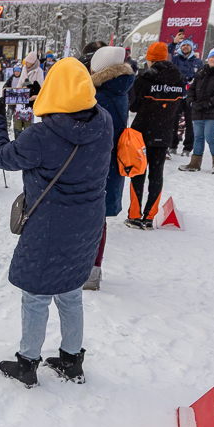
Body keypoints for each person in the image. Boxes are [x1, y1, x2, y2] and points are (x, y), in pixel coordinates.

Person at [0, 57, 113, 387]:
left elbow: (1, 156)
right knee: (71, 294)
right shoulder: (104, 122)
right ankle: (72, 361)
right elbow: (72, 124)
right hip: (87, 226)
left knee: (36, 297)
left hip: (48, 229)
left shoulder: (40, 138)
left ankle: (28, 363)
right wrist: (44, 99)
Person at [85, 46, 134, 287]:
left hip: (94, 165)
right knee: (98, 219)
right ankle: (93, 269)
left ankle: (86, 270)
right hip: (111, 165)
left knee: (86, 218)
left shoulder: (98, 94)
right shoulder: (119, 88)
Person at [124, 41, 184, 237]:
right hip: (165, 132)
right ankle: (150, 217)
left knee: (137, 173)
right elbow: (181, 105)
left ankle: (134, 215)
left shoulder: (144, 78)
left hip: (142, 131)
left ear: (150, 59)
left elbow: (133, 106)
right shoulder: (178, 79)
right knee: (157, 175)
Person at [179, 46, 214, 174]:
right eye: (212, 57)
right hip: (198, 109)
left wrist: (210, 103)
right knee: (198, 136)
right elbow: (192, 88)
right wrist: (192, 101)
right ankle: (195, 163)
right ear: (208, 58)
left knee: (210, 136)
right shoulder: (202, 71)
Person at [168, 35, 204, 156]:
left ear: (192, 47)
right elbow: (167, 55)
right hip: (176, 95)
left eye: (187, 45)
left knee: (190, 123)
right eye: (183, 45)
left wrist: (194, 83)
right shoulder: (175, 59)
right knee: (173, 121)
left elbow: (202, 79)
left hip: (191, 97)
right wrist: (173, 43)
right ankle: (172, 145)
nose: (185, 47)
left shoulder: (198, 62)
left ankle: (188, 148)